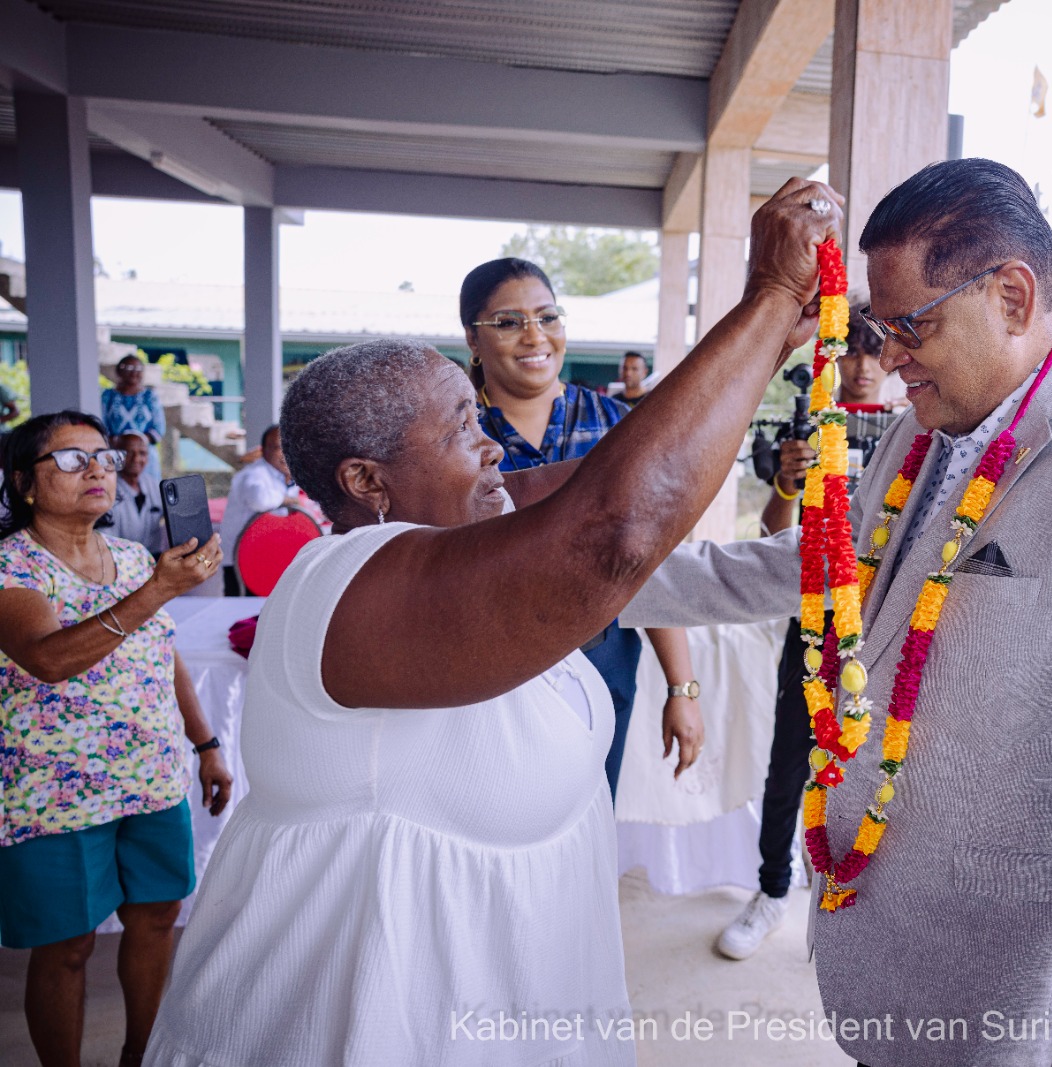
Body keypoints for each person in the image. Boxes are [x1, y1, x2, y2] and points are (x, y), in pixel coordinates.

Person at [141, 179, 842, 1067]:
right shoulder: (337, 584)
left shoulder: (486, 536)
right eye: (461, 427)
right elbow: (616, 528)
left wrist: (877, 543)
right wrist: (767, 299)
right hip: (374, 1017)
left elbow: (680, 550)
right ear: (365, 481)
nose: (490, 444)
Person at [622, 158, 1052, 1066]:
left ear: (1012, 296)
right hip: (884, 961)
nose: (887, 356)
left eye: (910, 325)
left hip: (1008, 999)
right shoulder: (924, 428)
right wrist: (597, 578)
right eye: (880, 329)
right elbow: (820, 565)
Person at [0, 410, 231, 1067]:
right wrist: (159, 588)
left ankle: (140, 1056)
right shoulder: (13, 566)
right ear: (25, 483)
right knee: (67, 944)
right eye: (71, 460)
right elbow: (47, 658)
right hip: (53, 788)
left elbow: (163, 653)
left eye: (103, 456)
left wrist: (206, 743)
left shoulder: (131, 557)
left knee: (156, 917)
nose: (98, 469)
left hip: (149, 775)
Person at [461, 258, 702, 792]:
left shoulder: (619, 426)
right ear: (473, 339)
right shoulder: (456, 437)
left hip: (603, 656)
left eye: (547, 317)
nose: (534, 336)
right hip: (487, 666)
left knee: (593, 808)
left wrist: (681, 687)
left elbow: (649, 559)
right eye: (508, 322)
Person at [717, 302, 899, 960]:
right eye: (852, 352)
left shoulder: (915, 427)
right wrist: (789, 484)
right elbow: (774, 535)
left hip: (892, 623)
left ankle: (856, 902)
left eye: (876, 350)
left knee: (881, 769)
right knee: (789, 765)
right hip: (815, 623)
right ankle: (772, 890)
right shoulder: (813, 424)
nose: (864, 366)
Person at [218, 424, 294, 596]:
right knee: (242, 609)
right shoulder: (254, 474)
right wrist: (287, 500)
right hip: (241, 561)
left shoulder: (283, 475)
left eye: (290, 447)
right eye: (279, 448)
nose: (286, 454)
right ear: (264, 450)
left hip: (263, 557)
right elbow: (259, 499)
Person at [101, 355, 166, 479]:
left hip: (144, 456)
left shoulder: (150, 396)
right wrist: (119, 442)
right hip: (117, 454)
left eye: (138, 368)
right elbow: (101, 427)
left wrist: (136, 444)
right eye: (129, 368)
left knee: (147, 487)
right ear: (119, 371)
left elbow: (159, 429)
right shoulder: (108, 396)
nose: (134, 372)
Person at [105, 431, 166, 557]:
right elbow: (106, 541)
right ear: (117, 456)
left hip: (154, 558)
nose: (136, 459)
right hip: (120, 559)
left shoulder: (154, 486)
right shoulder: (107, 489)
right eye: (129, 453)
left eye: (142, 453)